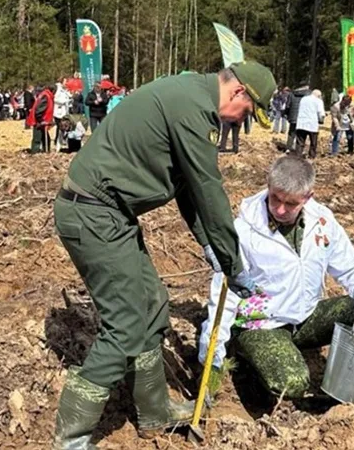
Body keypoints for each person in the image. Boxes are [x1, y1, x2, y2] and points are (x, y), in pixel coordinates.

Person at [51, 63, 277, 449]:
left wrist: (212, 249)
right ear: (239, 93)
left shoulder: (191, 94)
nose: (241, 124)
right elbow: (208, 189)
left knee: (153, 303)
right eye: (247, 115)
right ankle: (71, 438)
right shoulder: (194, 110)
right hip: (93, 213)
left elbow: (189, 189)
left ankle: (153, 411)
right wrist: (233, 263)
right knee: (124, 323)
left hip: (111, 214)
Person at [198, 156, 354, 400]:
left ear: (308, 197)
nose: (280, 209)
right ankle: (247, 354)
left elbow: (348, 264)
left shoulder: (322, 221)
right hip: (262, 324)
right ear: (268, 186)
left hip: (305, 316)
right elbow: (223, 296)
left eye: (291, 204)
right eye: (276, 198)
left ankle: (348, 384)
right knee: (292, 383)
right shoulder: (243, 231)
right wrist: (212, 359)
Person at [295, 89, 325, 159]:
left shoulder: (303, 99)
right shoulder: (318, 101)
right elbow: (321, 113)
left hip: (301, 123)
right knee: (313, 142)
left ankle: (298, 156)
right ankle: (311, 156)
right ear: (319, 96)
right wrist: (321, 120)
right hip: (312, 124)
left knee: (300, 142)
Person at [27, 86, 54, 153]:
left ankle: (46, 151)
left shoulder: (46, 95)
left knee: (46, 139)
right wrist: (40, 120)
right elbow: (39, 110)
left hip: (42, 121)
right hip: (38, 121)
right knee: (37, 139)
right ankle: (34, 152)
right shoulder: (45, 96)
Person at [286, 86, 310, 151]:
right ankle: (298, 150)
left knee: (291, 133)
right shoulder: (308, 95)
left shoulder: (291, 94)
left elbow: (287, 106)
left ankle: (288, 148)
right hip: (303, 117)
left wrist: (287, 114)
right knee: (301, 134)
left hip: (293, 116)